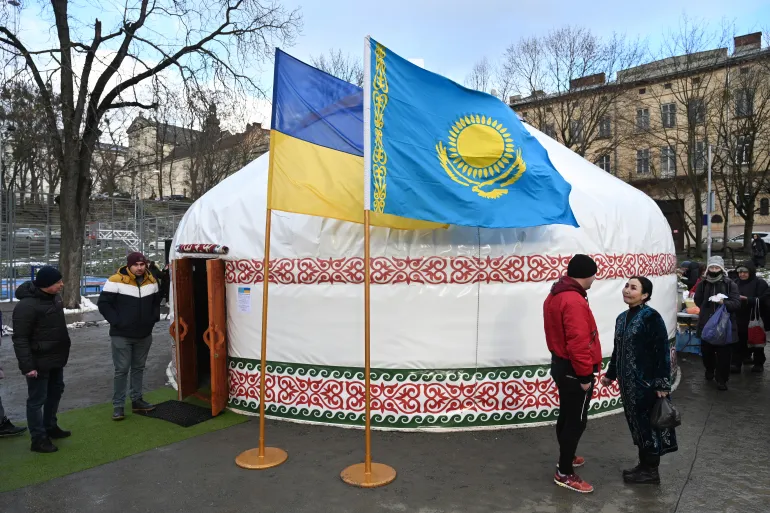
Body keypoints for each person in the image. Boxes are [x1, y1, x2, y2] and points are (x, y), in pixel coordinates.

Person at [602, 277, 678, 485]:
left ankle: (651, 470)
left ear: (645, 295)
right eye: (627, 286)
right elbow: (618, 350)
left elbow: (661, 350)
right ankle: (644, 465)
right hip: (628, 386)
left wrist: (663, 383)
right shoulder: (621, 318)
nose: (627, 290)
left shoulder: (651, 318)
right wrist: (610, 374)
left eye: (633, 288)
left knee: (649, 426)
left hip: (647, 385)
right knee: (636, 425)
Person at [543, 254, 602, 494]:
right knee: (576, 421)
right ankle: (564, 471)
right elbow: (578, 342)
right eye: (593, 275)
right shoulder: (573, 300)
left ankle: (567, 456)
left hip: (560, 364)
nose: (594, 280)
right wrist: (585, 376)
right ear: (587, 274)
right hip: (573, 369)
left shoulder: (555, 294)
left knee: (567, 415)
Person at [11, 266, 71, 453]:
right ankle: (38, 439)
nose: (62, 284)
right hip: (38, 362)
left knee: (55, 392)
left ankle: (50, 426)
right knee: (37, 400)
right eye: (58, 282)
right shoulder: (26, 306)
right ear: (46, 284)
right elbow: (20, 338)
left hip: (55, 359)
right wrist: (28, 366)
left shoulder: (55, 299)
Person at [98, 252, 161, 421]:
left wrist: (153, 319)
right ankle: (118, 405)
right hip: (122, 335)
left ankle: (137, 400)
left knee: (139, 367)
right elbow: (103, 304)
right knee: (122, 369)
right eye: (136, 265)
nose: (140, 268)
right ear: (129, 265)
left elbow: (156, 302)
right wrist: (116, 321)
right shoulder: (115, 280)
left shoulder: (152, 280)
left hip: (144, 334)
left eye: (142, 264)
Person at [694, 256, 741, 391]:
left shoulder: (729, 284)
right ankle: (709, 369)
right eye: (712, 267)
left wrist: (723, 303)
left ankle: (722, 380)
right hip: (706, 323)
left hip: (724, 325)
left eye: (717, 268)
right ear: (708, 269)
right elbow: (697, 300)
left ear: (721, 269)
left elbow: (736, 303)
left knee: (724, 356)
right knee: (706, 352)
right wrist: (707, 307)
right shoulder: (702, 284)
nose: (714, 270)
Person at [731, 261, 769, 373]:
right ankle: (736, 363)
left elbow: (765, 298)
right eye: (740, 272)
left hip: (755, 317)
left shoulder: (760, 283)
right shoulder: (735, 283)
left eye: (745, 272)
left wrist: (748, 299)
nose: (742, 274)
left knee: (756, 340)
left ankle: (758, 363)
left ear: (751, 272)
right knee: (738, 340)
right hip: (739, 316)